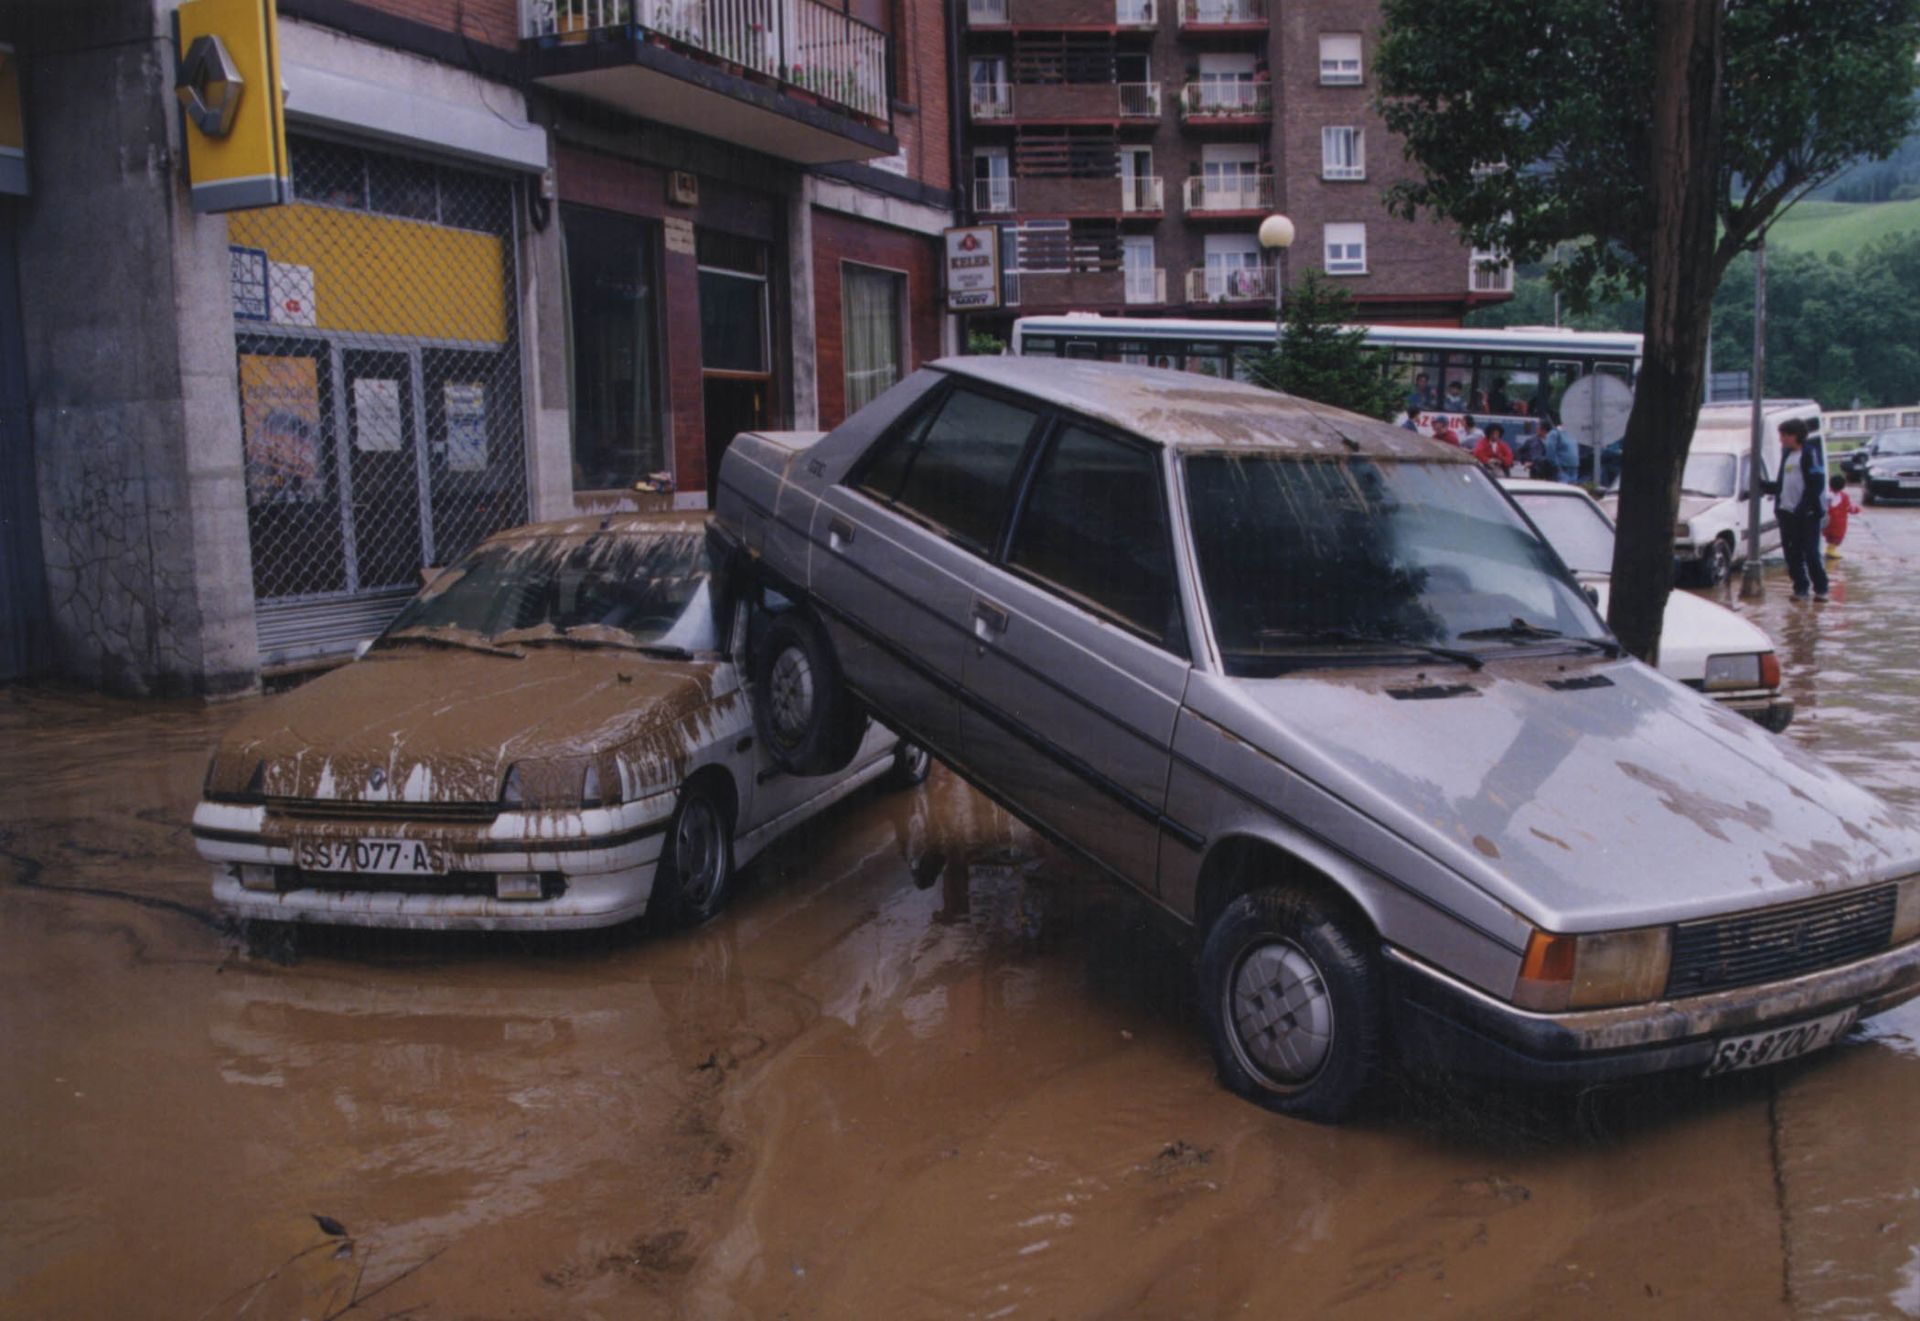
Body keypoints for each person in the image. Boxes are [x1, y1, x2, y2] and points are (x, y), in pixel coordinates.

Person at [1761, 418, 1830, 600]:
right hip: (1787, 512)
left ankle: (1821, 589)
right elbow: (1783, 484)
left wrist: (1805, 507)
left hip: (1807, 514)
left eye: (1784, 435)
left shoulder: (1810, 453)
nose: (1781, 439)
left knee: (1811, 553)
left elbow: (1817, 484)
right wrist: (1765, 486)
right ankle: (1800, 589)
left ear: (1795, 435)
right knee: (1791, 554)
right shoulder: (1786, 455)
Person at [1824, 472, 1860, 560]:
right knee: (1836, 537)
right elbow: (1849, 507)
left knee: (1826, 534)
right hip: (1838, 523)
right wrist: (1857, 509)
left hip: (1826, 520)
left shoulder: (1825, 494)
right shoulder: (1844, 497)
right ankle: (1830, 550)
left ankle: (1828, 549)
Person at [1543, 416, 1578, 484]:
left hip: (1574, 469)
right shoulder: (1554, 433)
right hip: (1562, 469)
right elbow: (1550, 451)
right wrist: (1557, 466)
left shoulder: (1572, 433)